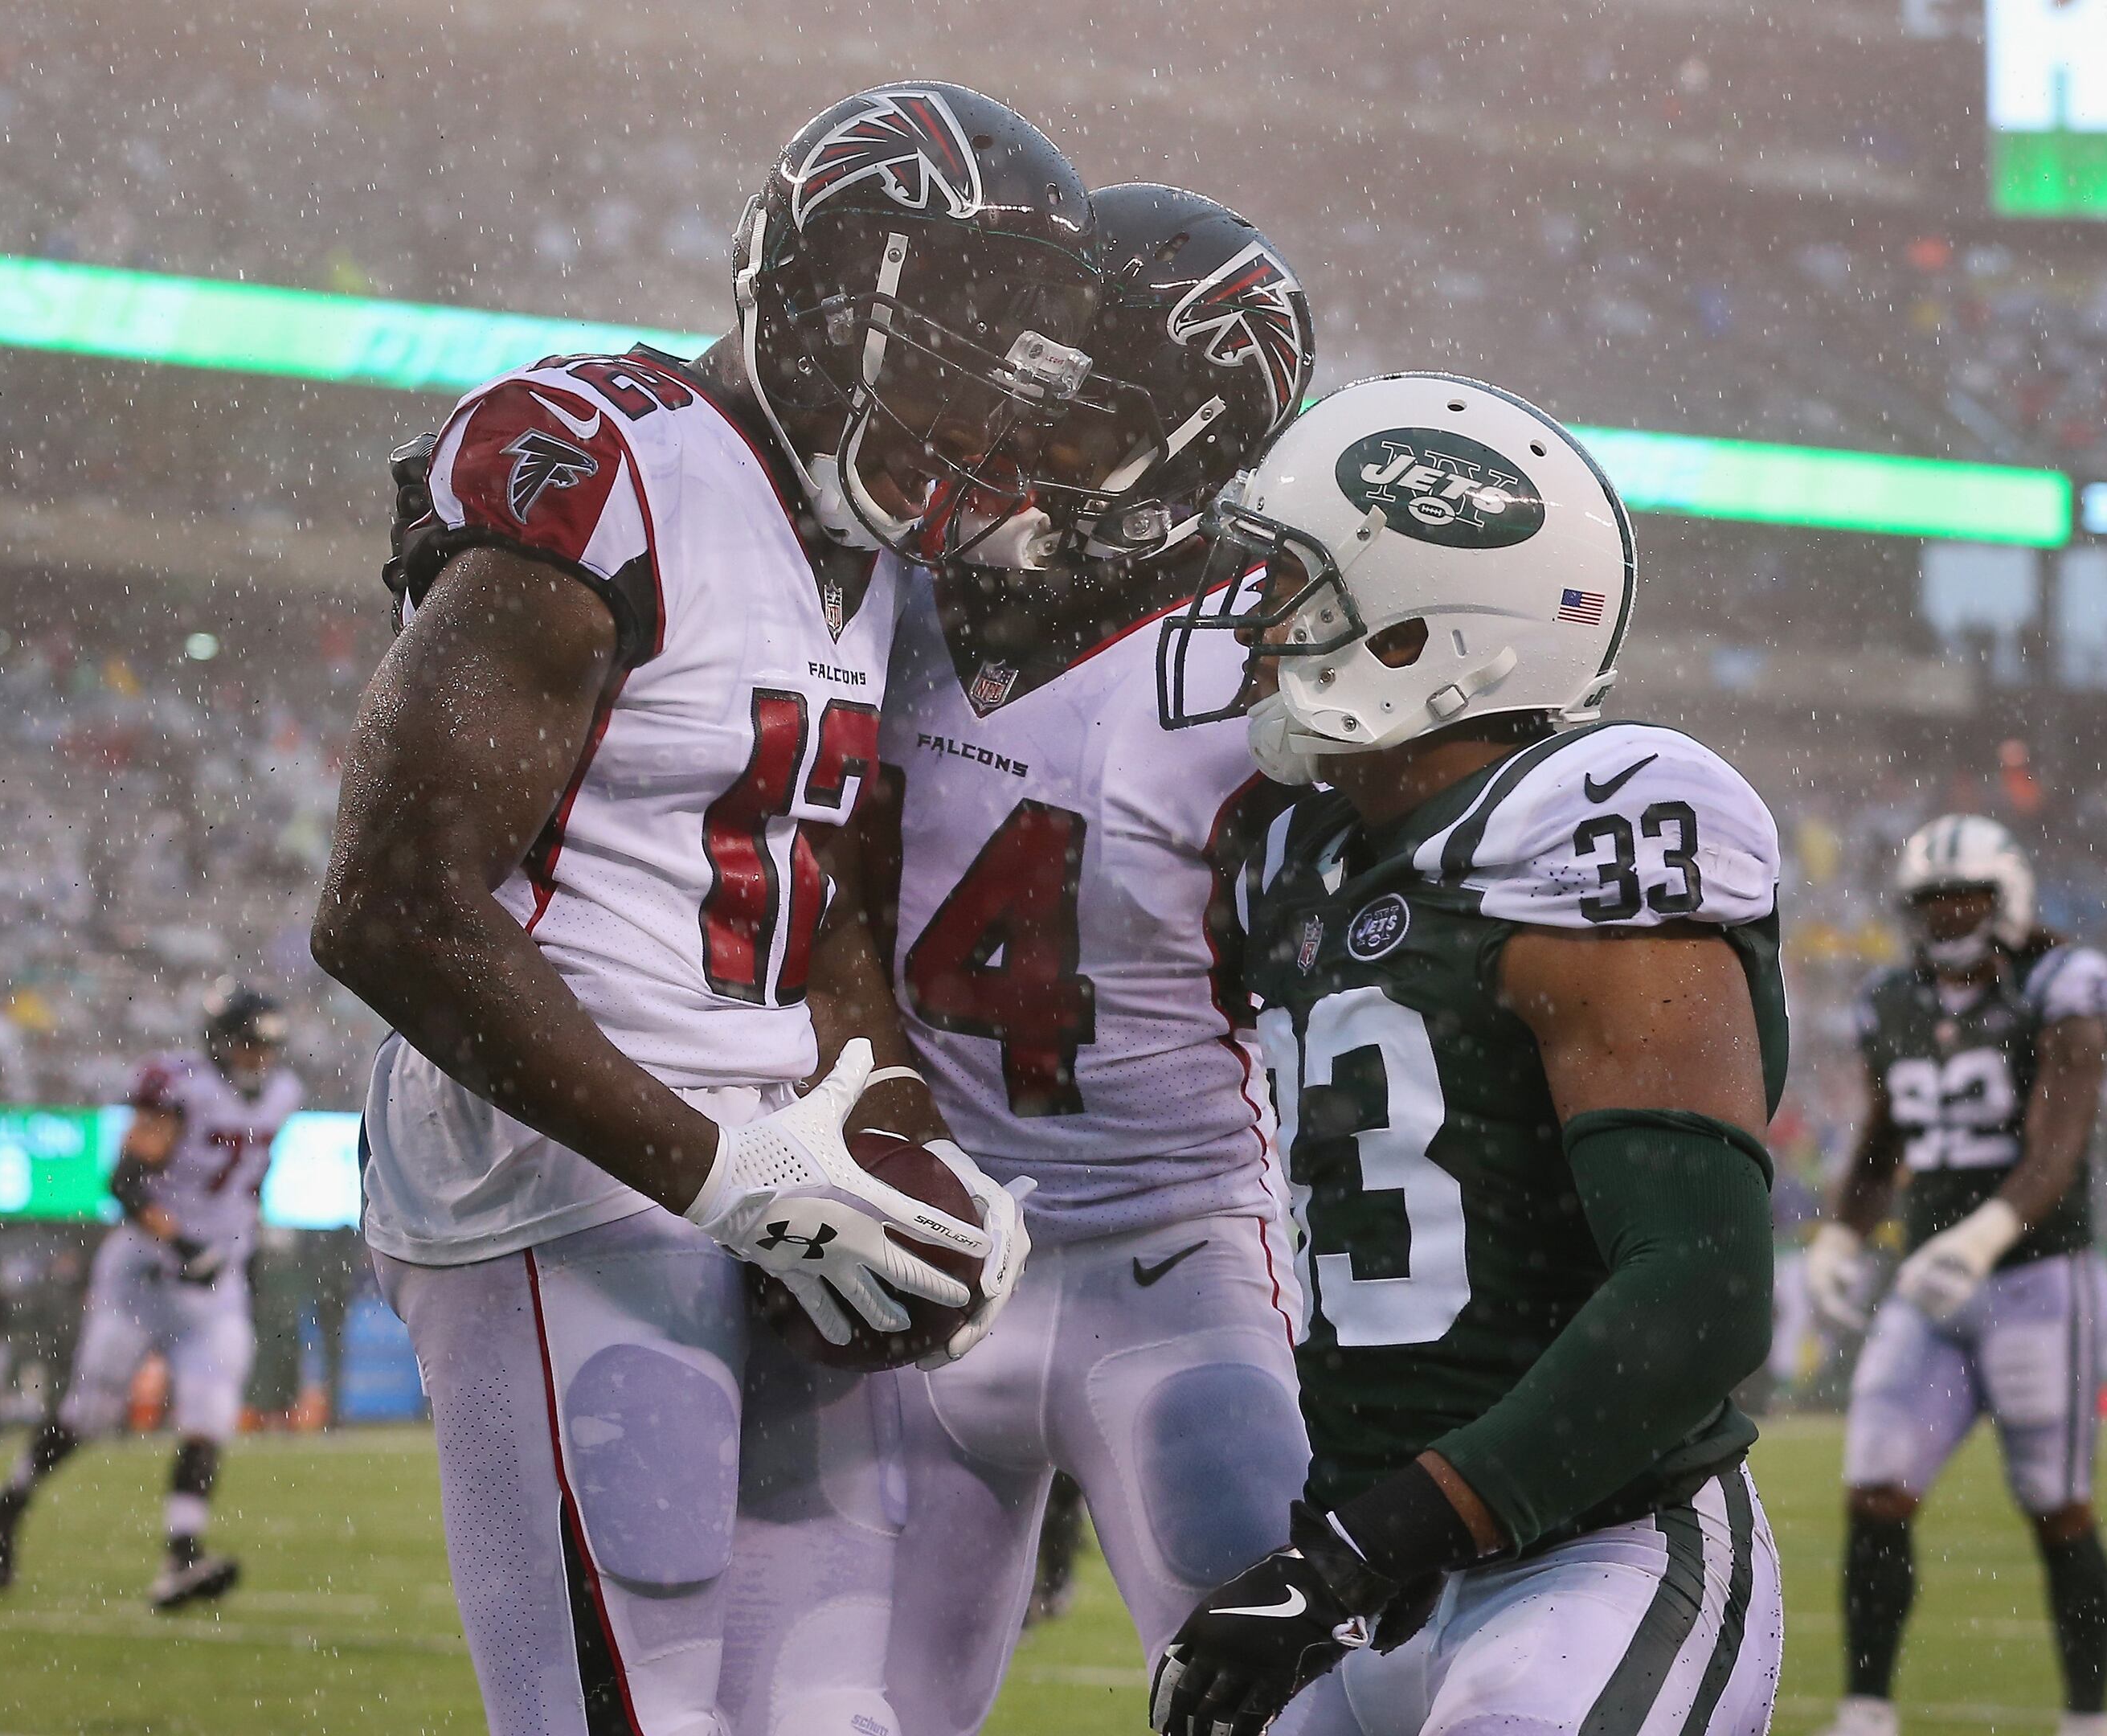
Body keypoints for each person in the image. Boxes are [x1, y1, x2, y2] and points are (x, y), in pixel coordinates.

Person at [316, 81, 1142, 1736]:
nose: (966, 439)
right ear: (821, 310)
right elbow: (392, 905)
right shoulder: (611, 469)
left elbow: (814, 889)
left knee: (835, 1718)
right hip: (560, 1182)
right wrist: (719, 1173)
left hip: (772, 1160)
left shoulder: (872, 551)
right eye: (942, 379)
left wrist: (894, 1133)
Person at [1143, 375, 1785, 1736]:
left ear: (1419, 628)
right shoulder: (1294, 849)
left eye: (1295, 589)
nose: (1256, 625)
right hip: (1370, 1571)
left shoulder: (1590, 819)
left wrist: (1360, 1551)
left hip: (1597, 1557)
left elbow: (1701, 1297)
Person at [846, 184, 1319, 1733]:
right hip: (912, 1240)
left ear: (1195, 442)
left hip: (1176, 1267)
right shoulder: (892, 579)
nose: (1000, 435)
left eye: (1065, 411)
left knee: (1287, 1711)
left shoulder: (1269, 659)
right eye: (1009, 386)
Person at [1804, 815, 2107, 1736]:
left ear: (2007, 897)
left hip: (2038, 1280)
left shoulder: (2060, 984)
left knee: (2055, 1503)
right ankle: (1864, 1711)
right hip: (1931, 1285)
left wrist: (1979, 1240)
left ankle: (2091, 1715)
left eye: (1966, 898)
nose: (1949, 917)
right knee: (1876, 1484)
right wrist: (1842, 1238)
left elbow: (2057, 1146)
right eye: (1933, 903)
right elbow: (1878, 1149)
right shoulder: (1890, 1001)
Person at [0, 984, 303, 1610]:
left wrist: (236, 1253)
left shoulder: (285, 1096)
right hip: (144, 1276)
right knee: (91, 1414)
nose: (258, 1060)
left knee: (209, 1417)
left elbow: (245, 1189)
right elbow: (125, 1182)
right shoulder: (179, 1087)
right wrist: (183, 1246)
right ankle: (12, 1499)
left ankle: (180, 1560)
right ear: (218, 1041)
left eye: (267, 1048)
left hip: (215, 1284)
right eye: (247, 1045)